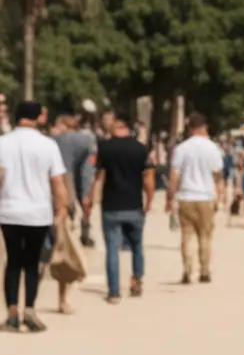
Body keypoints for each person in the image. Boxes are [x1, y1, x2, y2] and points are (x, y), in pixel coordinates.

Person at [0, 99, 67, 332]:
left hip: (8, 211)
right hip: (38, 213)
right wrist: (63, 208)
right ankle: (29, 309)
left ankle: (11, 312)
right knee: (32, 263)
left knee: (12, 261)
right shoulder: (47, 145)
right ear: (38, 117)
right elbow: (57, 181)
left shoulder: (3, 143)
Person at [92, 111, 154, 304]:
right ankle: (136, 281)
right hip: (134, 204)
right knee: (137, 246)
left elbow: (99, 177)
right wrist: (149, 200)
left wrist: (91, 199)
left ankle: (114, 291)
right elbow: (148, 179)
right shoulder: (141, 149)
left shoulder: (105, 148)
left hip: (111, 205)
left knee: (112, 248)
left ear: (117, 125)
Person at [169, 113, 226, 283]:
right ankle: (204, 270)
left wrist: (172, 195)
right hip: (206, 196)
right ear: (205, 127)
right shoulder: (213, 148)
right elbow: (218, 175)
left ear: (189, 129)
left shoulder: (181, 148)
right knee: (205, 236)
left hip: (186, 195)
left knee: (187, 236)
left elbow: (174, 174)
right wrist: (220, 196)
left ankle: (187, 269)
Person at [53, 111, 97, 248]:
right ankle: (85, 232)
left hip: (64, 176)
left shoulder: (59, 139)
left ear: (63, 125)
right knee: (85, 204)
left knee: (66, 206)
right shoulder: (87, 139)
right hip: (83, 172)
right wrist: (86, 190)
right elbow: (89, 163)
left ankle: (64, 236)